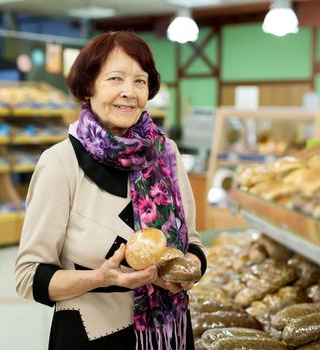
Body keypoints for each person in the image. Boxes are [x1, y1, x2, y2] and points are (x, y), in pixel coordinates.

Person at [15, 31, 207, 350]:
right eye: (115, 79)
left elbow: (193, 242)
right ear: (88, 86)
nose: (128, 92)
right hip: (91, 333)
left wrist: (192, 267)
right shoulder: (60, 163)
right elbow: (29, 276)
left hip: (168, 333)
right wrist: (101, 277)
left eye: (139, 81)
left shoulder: (167, 154)